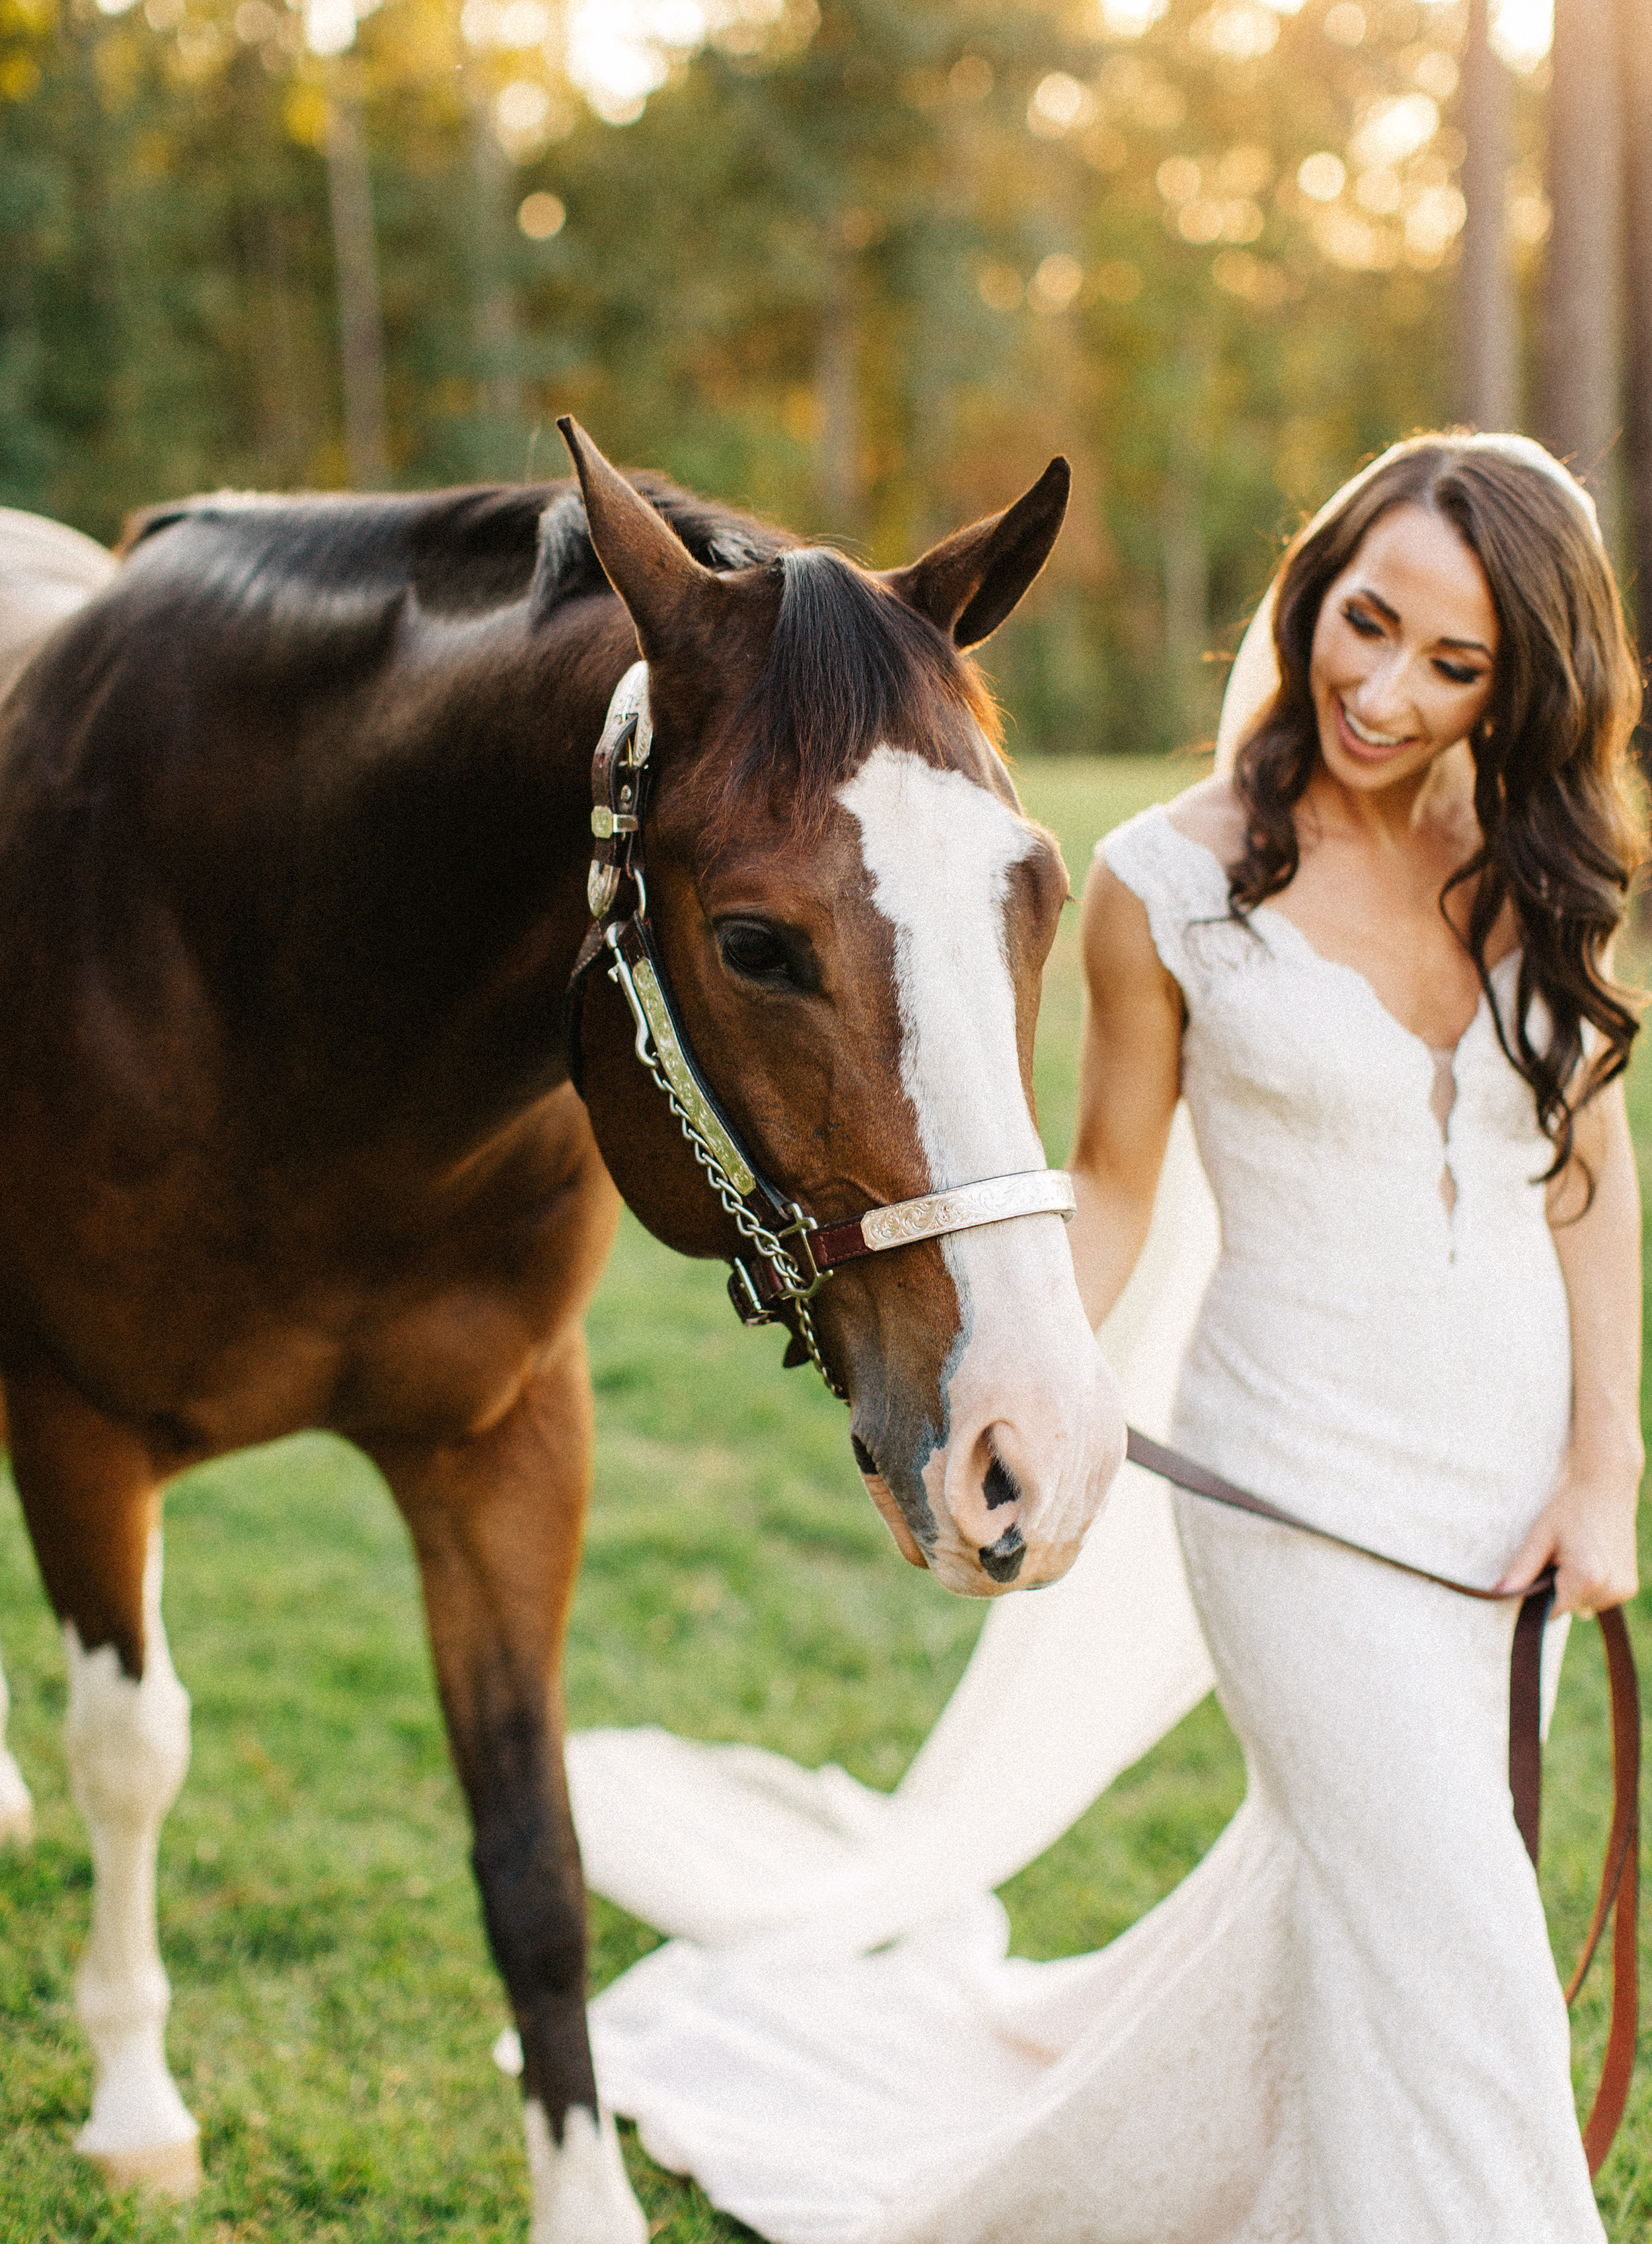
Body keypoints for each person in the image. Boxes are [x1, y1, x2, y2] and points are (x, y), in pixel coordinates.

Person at [558, 433, 1645, 2244]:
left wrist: (1602, 1462)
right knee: (1462, 1951)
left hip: (1507, 1497)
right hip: (1294, 1496)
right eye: (1361, 623)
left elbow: (1580, 1174)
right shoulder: (1164, 880)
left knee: (1355, 1922)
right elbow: (1116, 1184)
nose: (1383, 689)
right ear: (1307, 595)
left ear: (1514, 682)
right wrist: (1010, 1364)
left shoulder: (1520, 859)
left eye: (1451, 664)